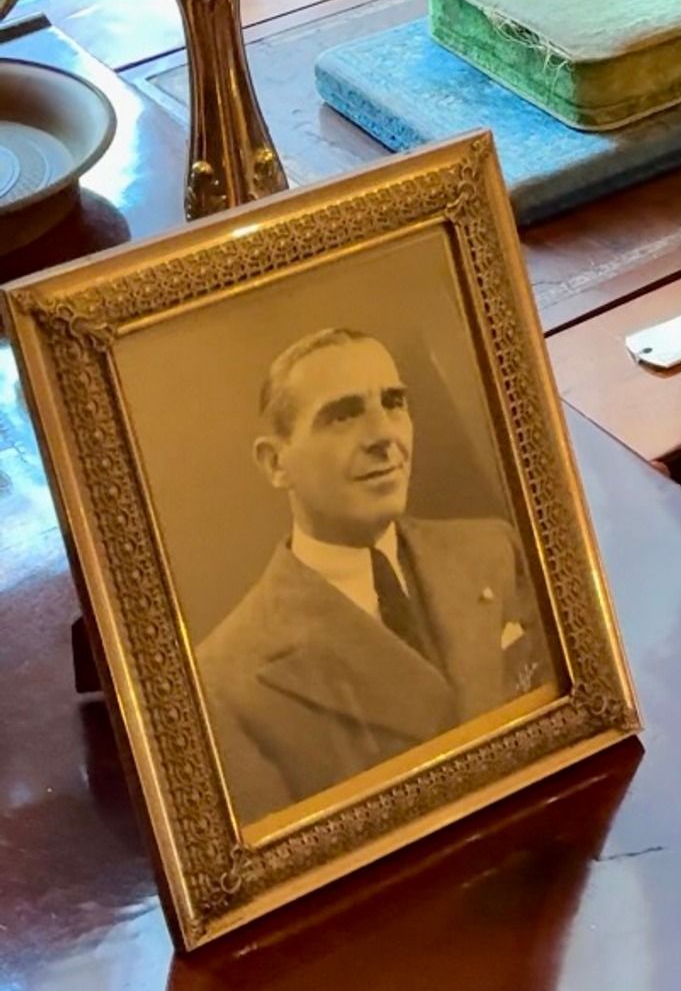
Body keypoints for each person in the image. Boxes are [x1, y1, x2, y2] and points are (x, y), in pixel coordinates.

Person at [196, 326, 548, 826]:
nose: (385, 437)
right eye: (343, 415)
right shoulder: (228, 680)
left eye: (394, 402)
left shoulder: (491, 549)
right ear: (276, 464)